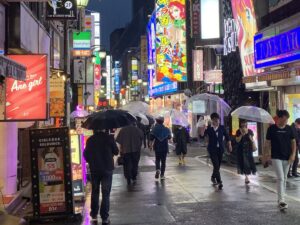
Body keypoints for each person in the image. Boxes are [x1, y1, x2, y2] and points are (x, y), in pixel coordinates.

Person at [83, 130, 119, 224]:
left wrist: (91, 160)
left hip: (95, 169)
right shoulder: (109, 138)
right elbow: (116, 151)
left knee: (95, 191)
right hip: (107, 169)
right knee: (106, 193)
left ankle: (94, 214)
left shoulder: (90, 140)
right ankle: (104, 218)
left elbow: (85, 155)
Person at [264, 110, 296, 210]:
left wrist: (293, 154)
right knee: (281, 178)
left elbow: (293, 142)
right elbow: (267, 143)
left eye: (287, 119)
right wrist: (266, 155)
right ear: (280, 118)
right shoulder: (271, 129)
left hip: (287, 157)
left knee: (285, 178)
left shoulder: (289, 129)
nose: (286, 121)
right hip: (276, 156)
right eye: (285, 119)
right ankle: (282, 200)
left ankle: (281, 199)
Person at [204, 113, 232, 190]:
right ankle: (219, 182)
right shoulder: (209, 129)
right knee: (216, 165)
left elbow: (227, 137)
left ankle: (213, 177)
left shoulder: (222, 128)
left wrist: (229, 145)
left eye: (218, 120)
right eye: (215, 120)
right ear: (212, 120)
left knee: (217, 166)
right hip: (212, 150)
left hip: (220, 149)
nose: (217, 121)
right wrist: (203, 131)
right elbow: (205, 137)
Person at [235, 120, 257, 184]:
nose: (244, 124)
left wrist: (250, 137)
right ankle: (246, 177)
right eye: (242, 123)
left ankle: (247, 176)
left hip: (248, 149)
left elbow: (252, 140)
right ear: (240, 124)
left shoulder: (250, 131)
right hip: (241, 149)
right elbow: (237, 140)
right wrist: (242, 134)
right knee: (244, 163)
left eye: (245, 123)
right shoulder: (238, 131)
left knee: (249, 162)